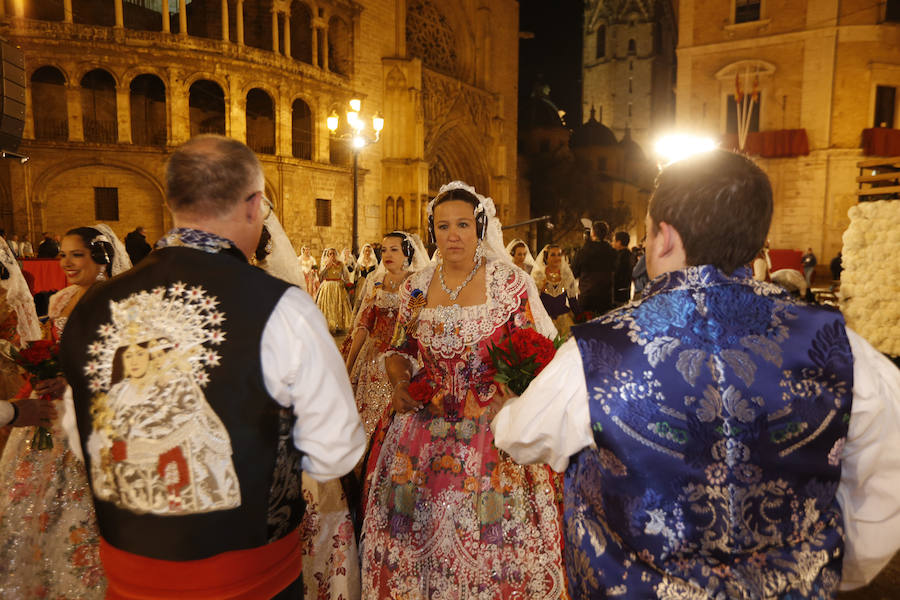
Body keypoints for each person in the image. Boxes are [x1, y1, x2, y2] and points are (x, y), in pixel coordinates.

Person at [493, 149, 900, 597]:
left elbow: (522, 435)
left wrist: (506, 407)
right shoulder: (843, 350)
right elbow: (883, 493)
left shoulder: (599, 350)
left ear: (664, 237)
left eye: (648, 234)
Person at [58, 135, 364, 598]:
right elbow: (335, 451)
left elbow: (81, 438)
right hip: (249, 581)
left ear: (172, 201)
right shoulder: (280, 307)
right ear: (253, 205)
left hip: (130, 579)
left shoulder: (93, 306)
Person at [360, 181, 567, 598]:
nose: (452, 234)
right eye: (442, 226)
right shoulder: (415, 287)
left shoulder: (508, 284)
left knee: (492, 546)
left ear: (479, 228)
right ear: (432, 231)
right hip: (420, 436)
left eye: (462, 225)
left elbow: (536, 354)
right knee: (413, 545)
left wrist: (513, 392)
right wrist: (400, 382)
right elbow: (400, 347)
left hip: (491, 437)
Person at [0, 225, 131, 598]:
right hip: (51, 410)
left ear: (101, 259)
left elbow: (122, 367)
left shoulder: (118, 303)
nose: (66, 263)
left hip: (93, 413)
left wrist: (73, 384)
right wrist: (41, 368)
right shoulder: (60, 300)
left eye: (77, 254)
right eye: (62, 253)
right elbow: (54, 347)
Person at [532, 243, 579, 339]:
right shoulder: (538, 276)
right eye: (553, 255)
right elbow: (534, 302)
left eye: (559, 254)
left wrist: (581, 317)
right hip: (544, 321)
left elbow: (572, 300)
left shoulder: (566, 275)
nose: (557, 258)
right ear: (546, 258)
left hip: (564, 321)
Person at [571, 220, 616, 316]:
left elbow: (574, 272)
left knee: (585, 325)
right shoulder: (612, 252)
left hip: (587, 296)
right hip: (605, 297)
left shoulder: (583, 252)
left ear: (592, 233)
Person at [317, 247, 354, 334]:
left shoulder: (341, 264)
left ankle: (338, 325)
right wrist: (326, 267)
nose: (332, 255)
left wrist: (348, 285)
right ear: (328, 255)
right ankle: (328, 325)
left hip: (338, 287)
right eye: (330, 254)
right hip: (327, 287)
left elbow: (346, 276)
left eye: (334, 253)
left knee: (338, 305)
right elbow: (320, 277)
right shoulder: (324, 264)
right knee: (328, 306)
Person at [352, 243, 379, 313]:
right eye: (366, 251)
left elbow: (377, 273)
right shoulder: (359, 262)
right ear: (363, 252)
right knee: (360, 299)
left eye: (369, 251)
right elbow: (356, 274)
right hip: (361, 282)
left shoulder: (374, 261)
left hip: (371, 282)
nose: (367, 252)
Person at [611, 231, 634, 305]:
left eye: (614, 241)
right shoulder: (630, 254)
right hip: (625, 292)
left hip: (618, 293)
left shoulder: (621, 256)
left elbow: (616, 273)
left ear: (619, 242)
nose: (612, 243)